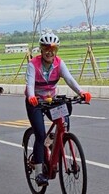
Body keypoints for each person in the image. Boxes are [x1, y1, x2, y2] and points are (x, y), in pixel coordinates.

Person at [25, 32, 92, 186]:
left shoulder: (59, 63)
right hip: (35, 102)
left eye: (53, 48)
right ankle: (38, 173)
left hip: (50, 100)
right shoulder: (33, 64)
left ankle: (52, 141)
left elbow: (69, 79)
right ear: (41, 50)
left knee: (64, 123)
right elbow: (30, 84)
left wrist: (81, 92)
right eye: (46, 48)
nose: (50, 52)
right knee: (40, 135)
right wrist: (31, 96)